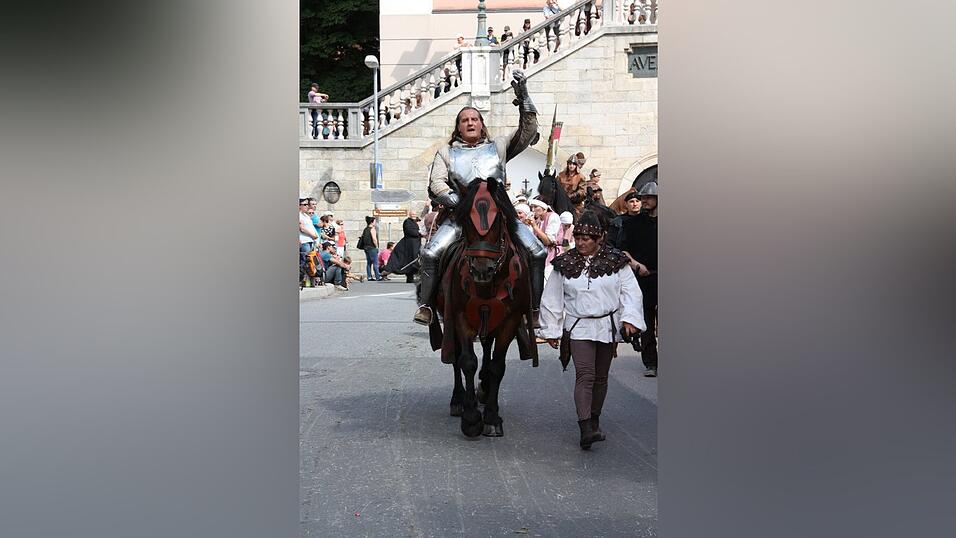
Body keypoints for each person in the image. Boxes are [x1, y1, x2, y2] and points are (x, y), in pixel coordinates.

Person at [414, 71, 543, 327]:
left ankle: (534, 309)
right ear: (458, 126)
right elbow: (436, 182)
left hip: (501, 217)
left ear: (481, 123)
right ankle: (427, 305)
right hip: (460, 218)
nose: (470, 123)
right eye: (465, 120)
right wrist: (457, 202)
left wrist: (524, 95)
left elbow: (527, 132)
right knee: (430, 253)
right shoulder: (446, 152)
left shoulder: (498, 146)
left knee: (537, 252)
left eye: (474, 119)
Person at [539, 210, 645, 450]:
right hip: (578, 327)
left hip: (606, 327)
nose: (582, 241)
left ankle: (594, 419)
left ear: (599, 239)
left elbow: (631, 292)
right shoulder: (564, 263)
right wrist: (552, 330)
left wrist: (629, 319)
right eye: (578, 236)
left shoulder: (616, 261)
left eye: (587, 237)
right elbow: (552, 298)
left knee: (601, 377)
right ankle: (585, 426)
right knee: (585, 375)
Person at [618, 181, 658, 377]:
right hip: (643, 277)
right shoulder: (633, 224)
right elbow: (623, 249)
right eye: (643, 198)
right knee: (647, 323)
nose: (644, 201)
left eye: (649, 197)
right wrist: (635, 264)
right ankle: (651, 362)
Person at [385, 211, 423, 283]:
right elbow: (410, 231)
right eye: (413, 214)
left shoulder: (415, 222)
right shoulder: (407, 222)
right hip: (410, 245)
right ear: (409, 215)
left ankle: (412, 276)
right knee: (410, 260)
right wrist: (420, 233)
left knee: (414, 260)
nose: (414, 215)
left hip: (415, 244)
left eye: (415, 214)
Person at [528, 198, 561, 279]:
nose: (533, 210)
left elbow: (548, 241)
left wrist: (534, 226)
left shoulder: (553, 217)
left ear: (544, 208)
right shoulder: (539, 220)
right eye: (532, 207)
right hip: (541, 256)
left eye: (536, 207)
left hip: (552, 256)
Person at [299, 198, 319, 287]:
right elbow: (302, 228)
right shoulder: (299, 215)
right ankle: (301, 280)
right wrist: (312, 235)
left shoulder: (306, 216)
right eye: (305, 205)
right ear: (300, 206)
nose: (307, 206)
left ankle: (308, 281)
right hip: (305, 241)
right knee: (304, 261)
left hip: (311, 241)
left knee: (311, 262)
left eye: (307, 204)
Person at [359, 215, 382, 281]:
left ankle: (369, 276)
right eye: (374, 221)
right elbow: (374, 239)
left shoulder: (365, 229)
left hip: (366, 248)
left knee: (369, 262)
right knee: (375, 262)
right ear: (372, 222)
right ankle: (378, 276)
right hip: (372, 247)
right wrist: (377, 246)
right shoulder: (372, 229)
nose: (375, 223)